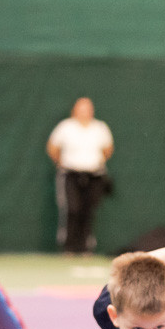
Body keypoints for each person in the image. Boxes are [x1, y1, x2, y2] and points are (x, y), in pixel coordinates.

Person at [48, 97, 114, 254]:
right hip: (70, 175)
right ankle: (69, 247)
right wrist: (61, 163)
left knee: (88, 210)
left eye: (87, 108)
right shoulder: (65, 127)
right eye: (81, 108)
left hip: (93, 176)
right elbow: (52, 148)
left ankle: (86, 248)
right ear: (74, 110)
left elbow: (108, 149)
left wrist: (95, 162)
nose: (84, 112)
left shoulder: (100, 128)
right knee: (72, 209)